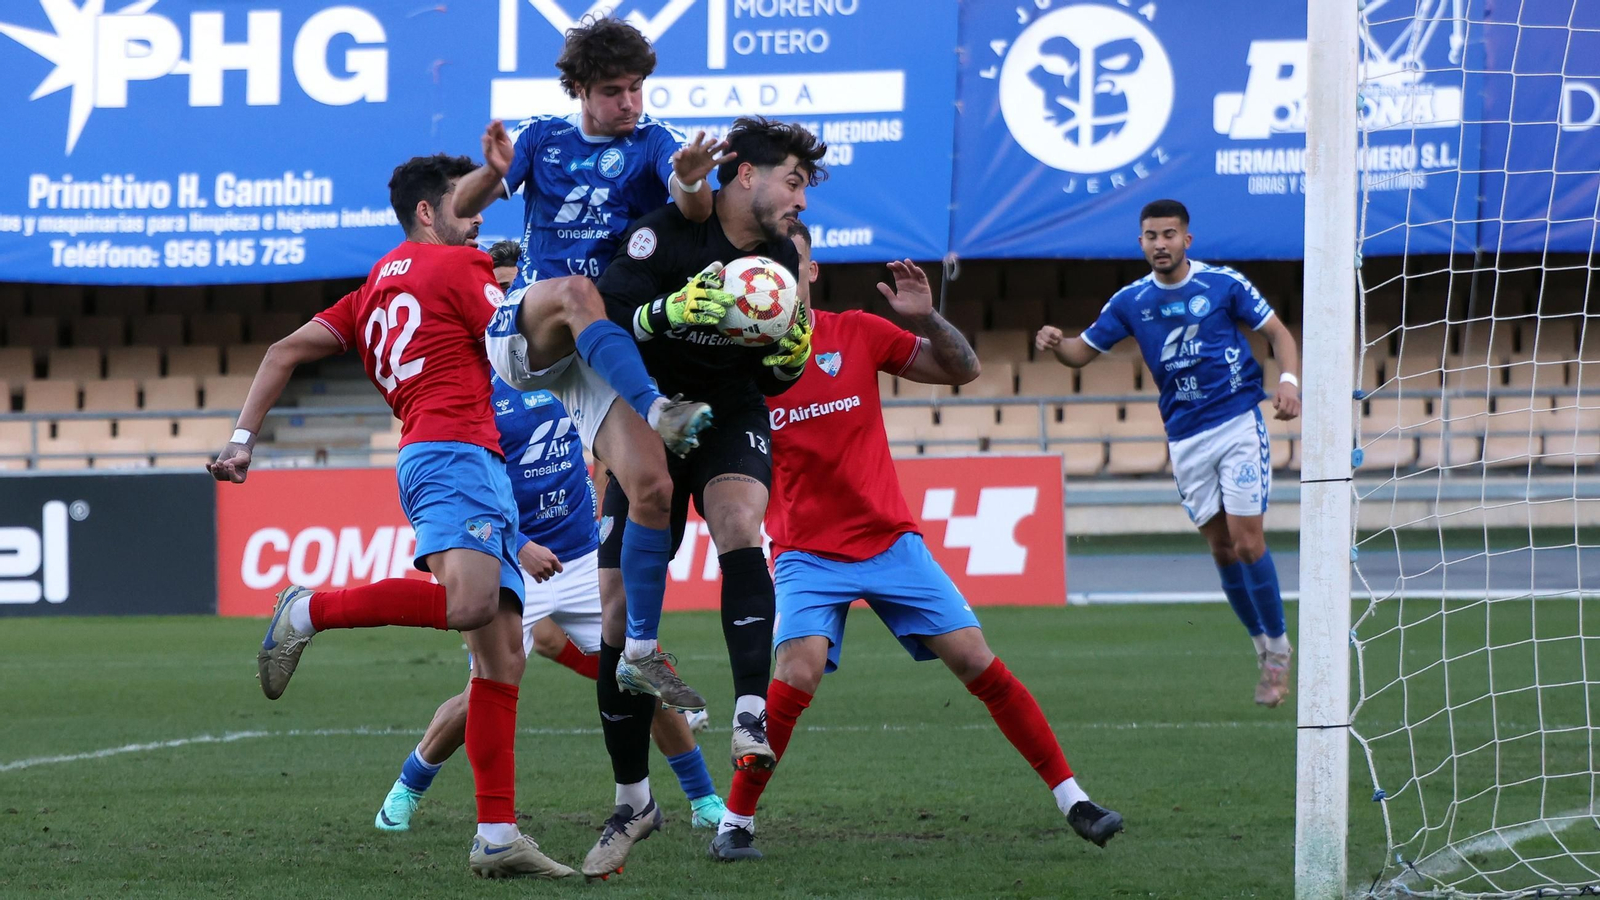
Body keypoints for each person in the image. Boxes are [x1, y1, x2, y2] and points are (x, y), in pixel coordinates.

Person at [707, 224, 1125, 861]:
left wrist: (929, 318)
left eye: (790, 264)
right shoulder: (740, 365)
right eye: (763, 267)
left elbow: (964, 369)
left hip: (890, 541)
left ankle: (1075, 800)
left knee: (977, 661)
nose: (779, 279)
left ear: (811, 270)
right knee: (797, 671)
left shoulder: (855, 331)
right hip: (805, 553)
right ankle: (734, 824)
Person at [208, 154, 572, 879]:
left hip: (458, 459)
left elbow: (284, 350)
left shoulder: (375, 285)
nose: (477, 217)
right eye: (465, 205)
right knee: (472, 608)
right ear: (428, 213)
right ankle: (309, 609)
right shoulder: (456, 267)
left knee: (502, 658)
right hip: (454, 454)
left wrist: (241, 440)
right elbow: (521, 354)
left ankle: (497, 836)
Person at [456, 16, 731, 713]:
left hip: (595, 351)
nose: (631, 102)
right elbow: (461, 207)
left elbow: (690, 201)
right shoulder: (544, 137)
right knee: (580, 291)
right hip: (529, 332)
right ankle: (659, 409)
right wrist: (491, 173)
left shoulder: (652, 144)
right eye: (614, 90)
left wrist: (696, 185)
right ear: (579, 88)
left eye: (637, 88)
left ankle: (639, 650)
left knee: (653, 488)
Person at [577, 115, 822, 879]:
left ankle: (750, 712)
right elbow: (607, 325)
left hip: (729, 415)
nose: (800, 203)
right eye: (792, 182)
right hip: (651, 414)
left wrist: (790, 355)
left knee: (740, 523)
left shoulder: (780, 258)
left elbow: (778, 378)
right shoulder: (662, 238)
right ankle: (633, 799)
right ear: (744, 173)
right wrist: (663, 314)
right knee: (615, 615)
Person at [373, 371, 728, 835]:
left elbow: (607, 446)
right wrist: (519, 544)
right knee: (483, 691)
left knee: (639, 674)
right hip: (509, 562)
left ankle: (704, 800)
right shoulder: (477, 394)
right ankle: (407, 788)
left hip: (583, 560)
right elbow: (469, 486)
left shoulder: (567, 374)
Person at [1035, 198, 1301, 707]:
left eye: (1170, 234)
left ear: (1187, 239)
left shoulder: (1223, 285)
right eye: (1152, 236)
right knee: (1221, 549)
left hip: (1237, 422)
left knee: (1247, 542)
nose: (1161, 244)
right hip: (1185, 437)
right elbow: (1080, 354)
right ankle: (1260, 647)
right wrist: (1057, 342)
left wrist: (1288, 382)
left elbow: (1277, 334)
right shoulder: (1131, 301)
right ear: (1141, 243)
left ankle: (1280, 651)